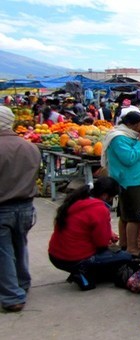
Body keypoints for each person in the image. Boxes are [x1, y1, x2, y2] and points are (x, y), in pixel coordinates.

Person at [48, 177, 133, 291]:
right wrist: (108, 237)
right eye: (112, 197)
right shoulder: (99, 209)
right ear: (105, 195)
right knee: (126, 257)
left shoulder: (77, 200)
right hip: (74, 257)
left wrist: (109, 233)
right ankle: (82, 271)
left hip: (55, 256)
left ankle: (83, 270)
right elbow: (101, 243)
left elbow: (83, 226)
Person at [0, 106, 40, 313]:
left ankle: (12, 296)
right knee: (20, 245)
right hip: (25, 205)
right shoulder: (30, 147)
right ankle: (22, 283)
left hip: (3, 207)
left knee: (4, 252)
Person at [101, 111, 140, 256]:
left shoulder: (131, 136)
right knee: (134, 217)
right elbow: (129, 158)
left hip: (134, 179)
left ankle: (124, 243)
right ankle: (131, 247)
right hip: (129, 180)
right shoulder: (119, 138)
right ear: (130, 124)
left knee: (125, 215)